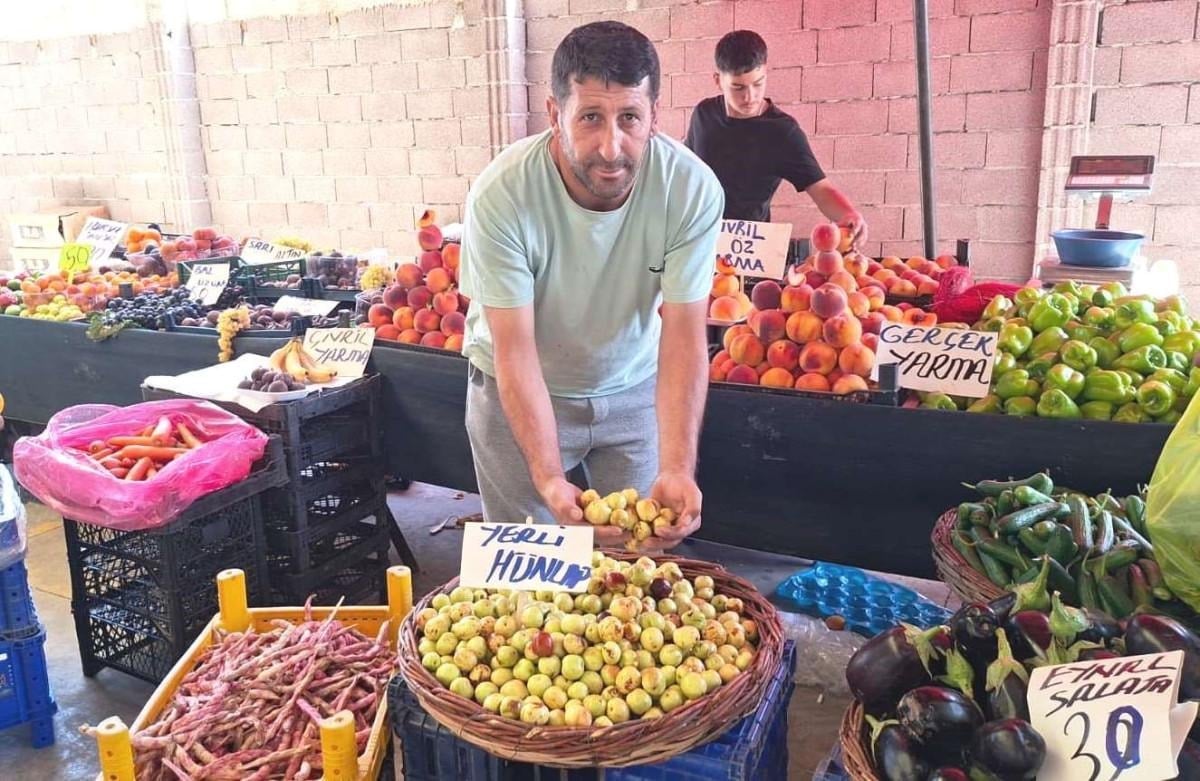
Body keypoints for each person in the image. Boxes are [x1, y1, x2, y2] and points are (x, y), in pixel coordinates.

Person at [458, 21, 724, 549]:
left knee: (634, 562)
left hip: (632, 386)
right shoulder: (501, 196)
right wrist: (548, 478)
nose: (611, 147)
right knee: (525, 561)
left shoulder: (691, 190)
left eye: (630, 118)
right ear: (555, 114)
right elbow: (515, 350)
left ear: (654, 116)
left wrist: (677, 466)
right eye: (590, 118)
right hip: (523, 390)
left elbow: (684, 335)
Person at [686, 30, 867, 247]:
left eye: (758, 84)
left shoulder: (782, 132)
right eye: (738, 87)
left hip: (749, 252)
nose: (750, 96)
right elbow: (687, 170)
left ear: (766, 73)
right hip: (698, 241)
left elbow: (820, 188)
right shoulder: (703, 114)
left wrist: (848, 214)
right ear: (718, 80)